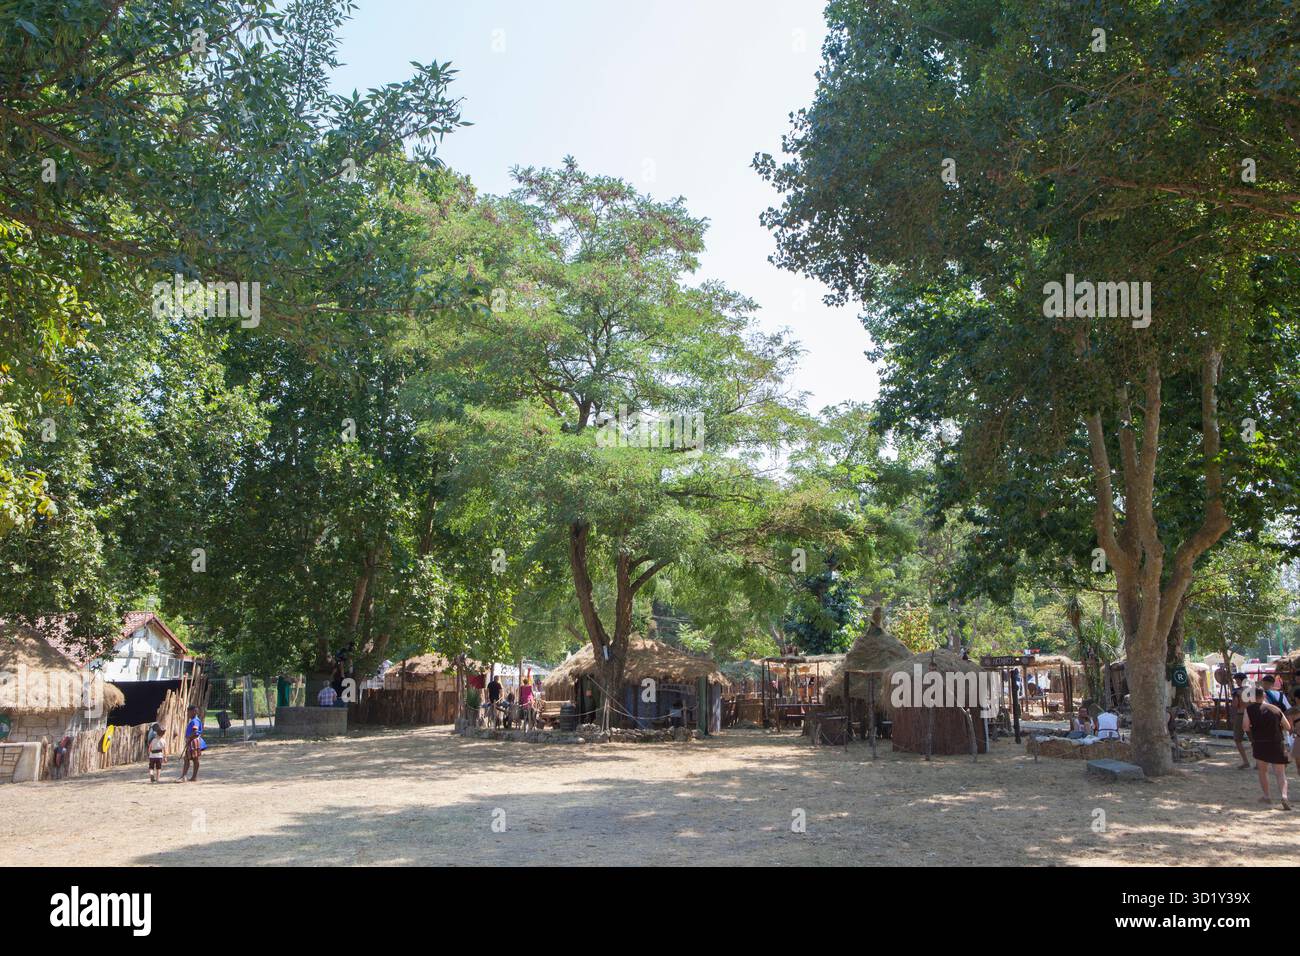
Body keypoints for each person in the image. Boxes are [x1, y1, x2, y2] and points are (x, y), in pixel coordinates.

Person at [1244, 686, 1291, 809]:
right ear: (1264, 696)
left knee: (1263, 771)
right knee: (1280, 773)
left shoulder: (1249, 709)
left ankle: (1267, 796)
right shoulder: (1276, 709)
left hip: (1260, 743)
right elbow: (1288, 727)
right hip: (1277, 742)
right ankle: (1284, 796)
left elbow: (1245, 727)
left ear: (1252, 697)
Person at [179, 705, 205, 783]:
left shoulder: (195, 721)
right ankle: (192, 777)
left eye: (189, 712)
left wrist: (189, 738)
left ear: (194, 712)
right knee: (194, 759)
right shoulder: (195, 720)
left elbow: (195, 732)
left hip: (193, 741)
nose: (188, 714)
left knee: (188, 759)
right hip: (193, 741)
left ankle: (184, 776)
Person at [1231, 675, 1252, 769]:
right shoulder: (1252, 690)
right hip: (1251, 715)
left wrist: (1232, 715)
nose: (1236, 682)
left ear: (1239, 680)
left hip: (1240, 715)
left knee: (1237, 739)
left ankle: (1245, 761)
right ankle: (1258, 762)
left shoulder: (1236, 691)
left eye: (1236, 680)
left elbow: (1235, 704)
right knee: (1254, 740)